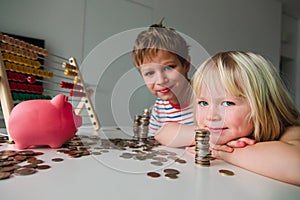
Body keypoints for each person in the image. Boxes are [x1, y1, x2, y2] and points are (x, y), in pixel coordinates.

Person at [190, 51, 300, 186]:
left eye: (227, 103)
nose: (210, 116)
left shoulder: (291, 130)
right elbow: (165, 132)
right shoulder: (213, 130)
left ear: (263, 106)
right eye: (203, 103)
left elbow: (296, 166)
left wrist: (221, 152)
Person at [132, 18, 197, 142]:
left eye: (169, 68)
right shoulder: (158, 108)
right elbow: (154, 141)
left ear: (186, 65)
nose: (161, 80)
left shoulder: (206, 99)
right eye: (150, 73)